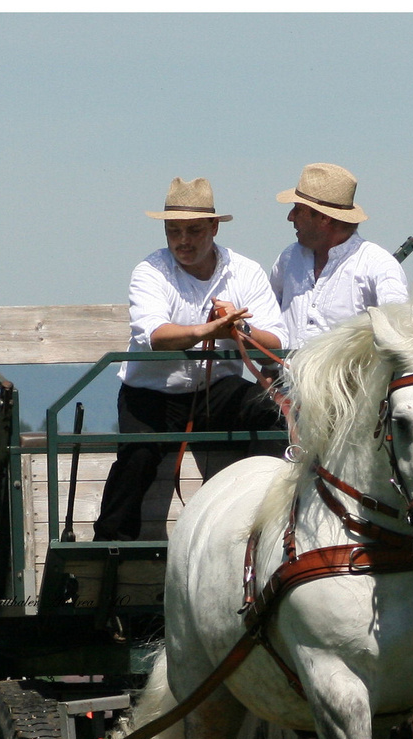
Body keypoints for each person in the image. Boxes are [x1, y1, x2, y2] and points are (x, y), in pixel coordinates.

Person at [93, 177, 288, 542]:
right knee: (137, 456)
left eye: (194, 230)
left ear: (214, 227)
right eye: (174, 231)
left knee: (273, 412)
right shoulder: (150, 271)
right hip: (152, 393)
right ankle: (111, 546)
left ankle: (263, 520)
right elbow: (154, 336)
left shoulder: (245, 271)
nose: (183, 241)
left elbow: (277, 342)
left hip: (215, 390)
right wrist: (210, 330)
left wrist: (239, 328)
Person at [270, 163, 409, 349]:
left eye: (298, 209)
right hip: (287, 377)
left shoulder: (378, 265)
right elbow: (270, 321)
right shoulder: (288, 259)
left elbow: (398, 330)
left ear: (323, 218)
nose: (290, 217)